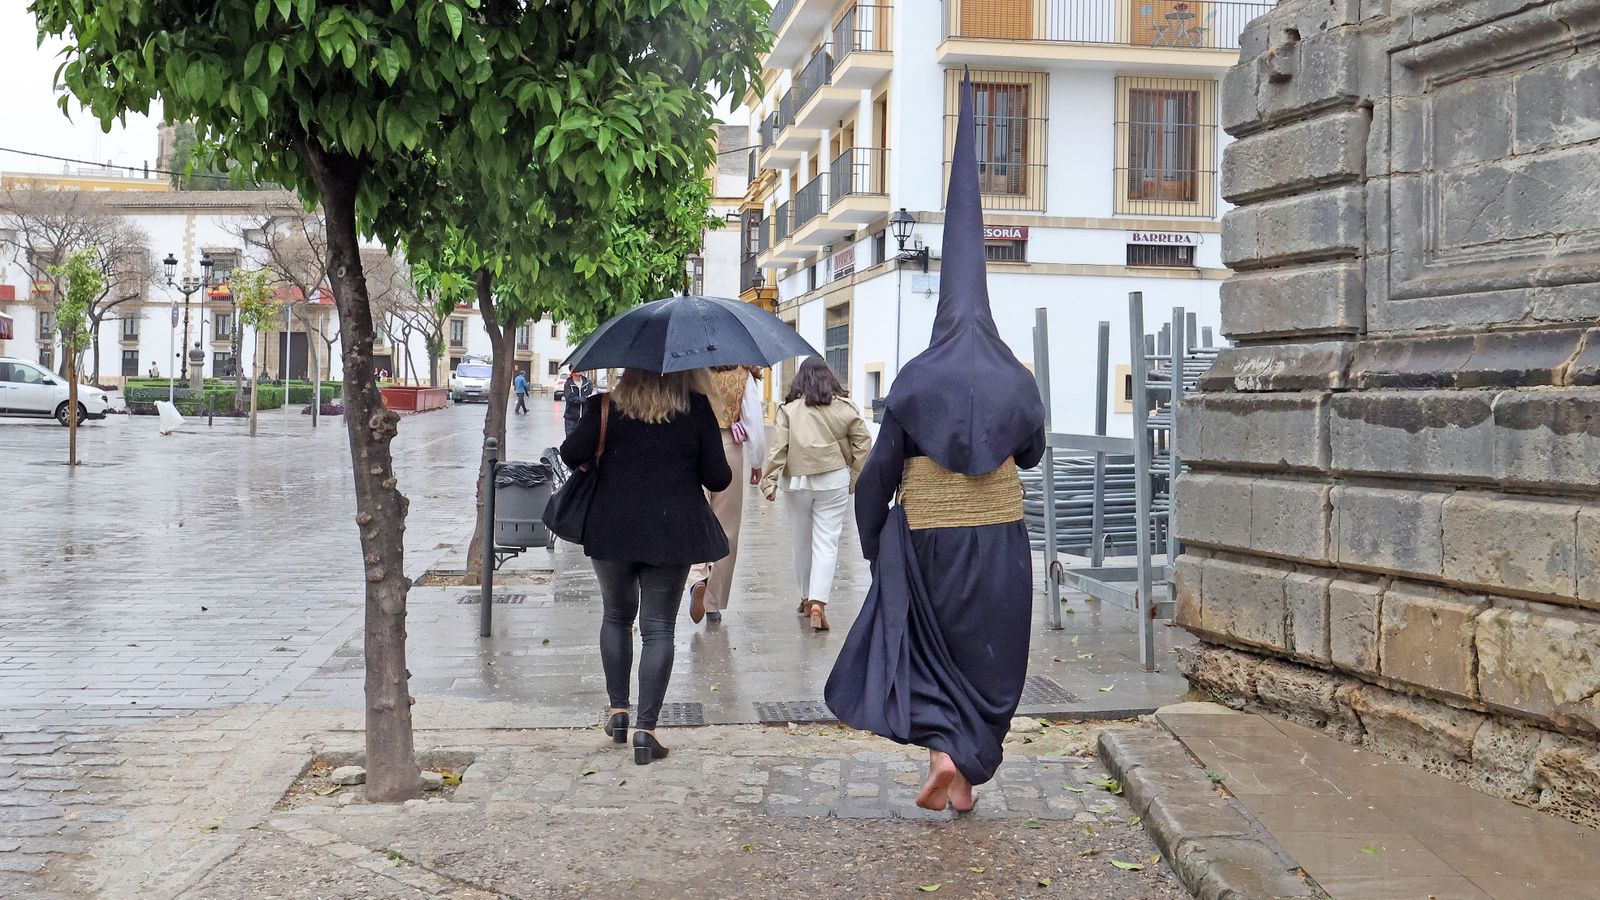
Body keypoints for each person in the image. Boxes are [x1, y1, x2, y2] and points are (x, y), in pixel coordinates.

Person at [824, 73, 1047, 815]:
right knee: (988, 663)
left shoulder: (916, 381)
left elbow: (878, 473)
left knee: (929, 649)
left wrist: (870, 540)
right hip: (1001, 546)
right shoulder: (1018, 378)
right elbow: (1035, 453)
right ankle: (963, 770)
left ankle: (944, 757)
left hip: (931, 547)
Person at [559, 368, 731, 766]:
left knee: (616, 616)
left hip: (610, 528)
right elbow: (718, 478)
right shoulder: (696, 408)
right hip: (671, 532)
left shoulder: (605, 406)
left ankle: (618, 713)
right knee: (658, 629)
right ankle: (646, 731)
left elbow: (570, 454)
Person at [760, 357, 872, 632]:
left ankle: (806, 596)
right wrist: (856, 476)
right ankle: (819, 601)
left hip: (797, 481)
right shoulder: (845, 407)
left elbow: (778, 449)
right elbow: (863, 442)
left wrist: (769, 481)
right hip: (833, 480)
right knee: (826, 542)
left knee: (802, 542)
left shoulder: (789, 410)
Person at [685, 364, 766, 625]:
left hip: (693, 446)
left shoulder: (692, 371)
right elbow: (753, 418)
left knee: (694, 517)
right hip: (728, 445)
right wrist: (756, 461)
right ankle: (712, 603)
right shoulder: (743, 374)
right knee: (726, 527)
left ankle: (697, 576)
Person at [561, 367, 594, 436]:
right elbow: (570, 398)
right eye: (576, 369)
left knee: (585, 440)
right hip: (571, 418)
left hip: (585, 417)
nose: (579, 370)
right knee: (570, 440)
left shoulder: (587, 383)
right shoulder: (568, 384)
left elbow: (591, 395)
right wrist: (584, 399)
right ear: (571, 371)